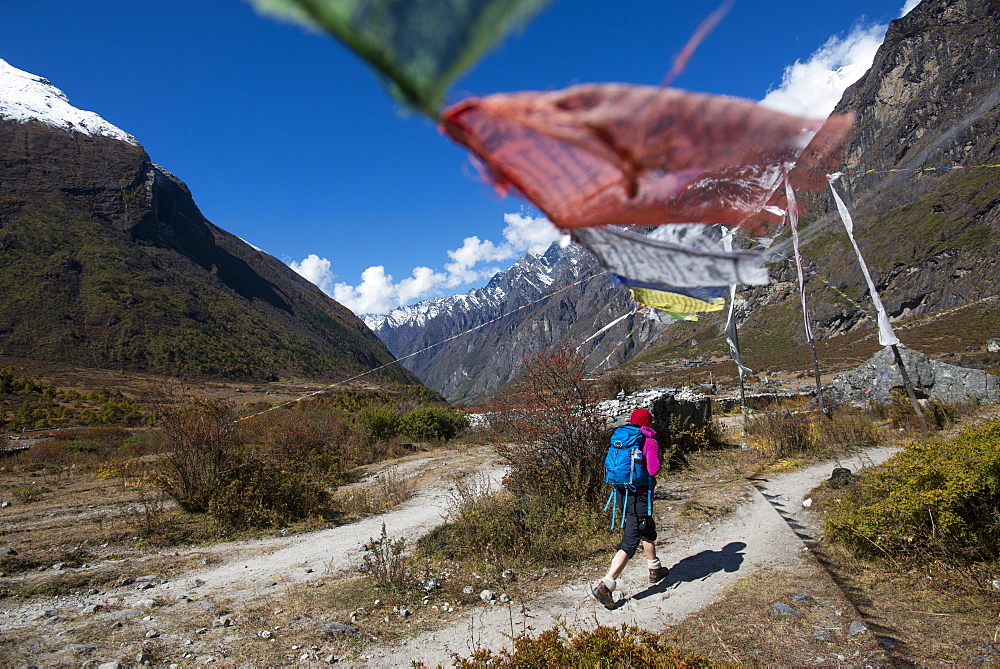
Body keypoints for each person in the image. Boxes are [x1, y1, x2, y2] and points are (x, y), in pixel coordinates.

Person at [592, 407, 669, 610]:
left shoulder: (622, 438)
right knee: (630, 540)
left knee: (647, 529)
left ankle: (655, 569)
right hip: (640, 496)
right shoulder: (649, 441)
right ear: (649, 423)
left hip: (621, 494)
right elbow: (654, 469)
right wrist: (658, 457)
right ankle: (606, 584)